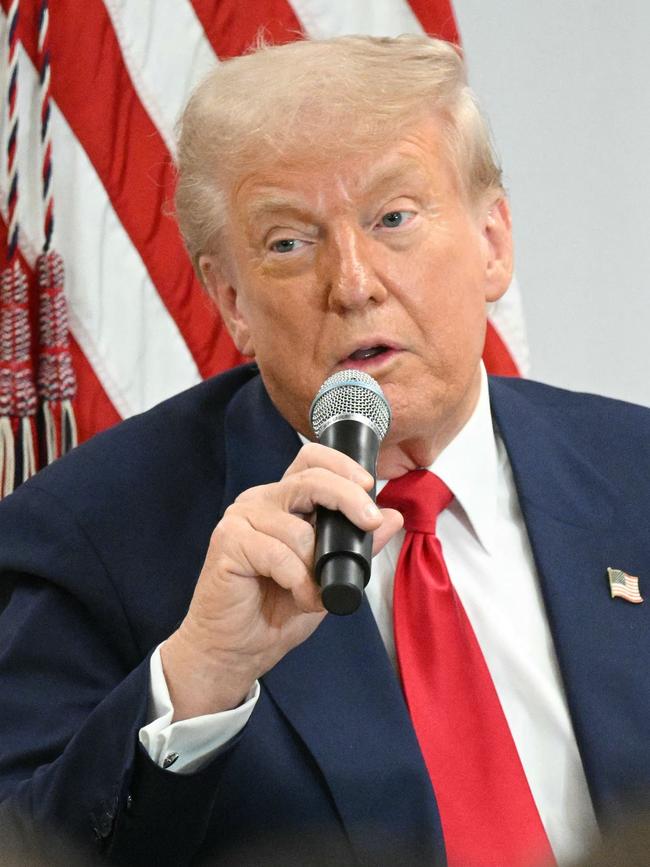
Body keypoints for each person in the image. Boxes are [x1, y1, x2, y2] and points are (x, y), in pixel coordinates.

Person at [0, 34, 649, 867]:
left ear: (493, 242)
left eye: (393, 219)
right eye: (287, 244)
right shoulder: (91, 539)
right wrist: (201, 677)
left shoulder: (633, 472)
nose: (352, 282)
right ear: (231, 300)